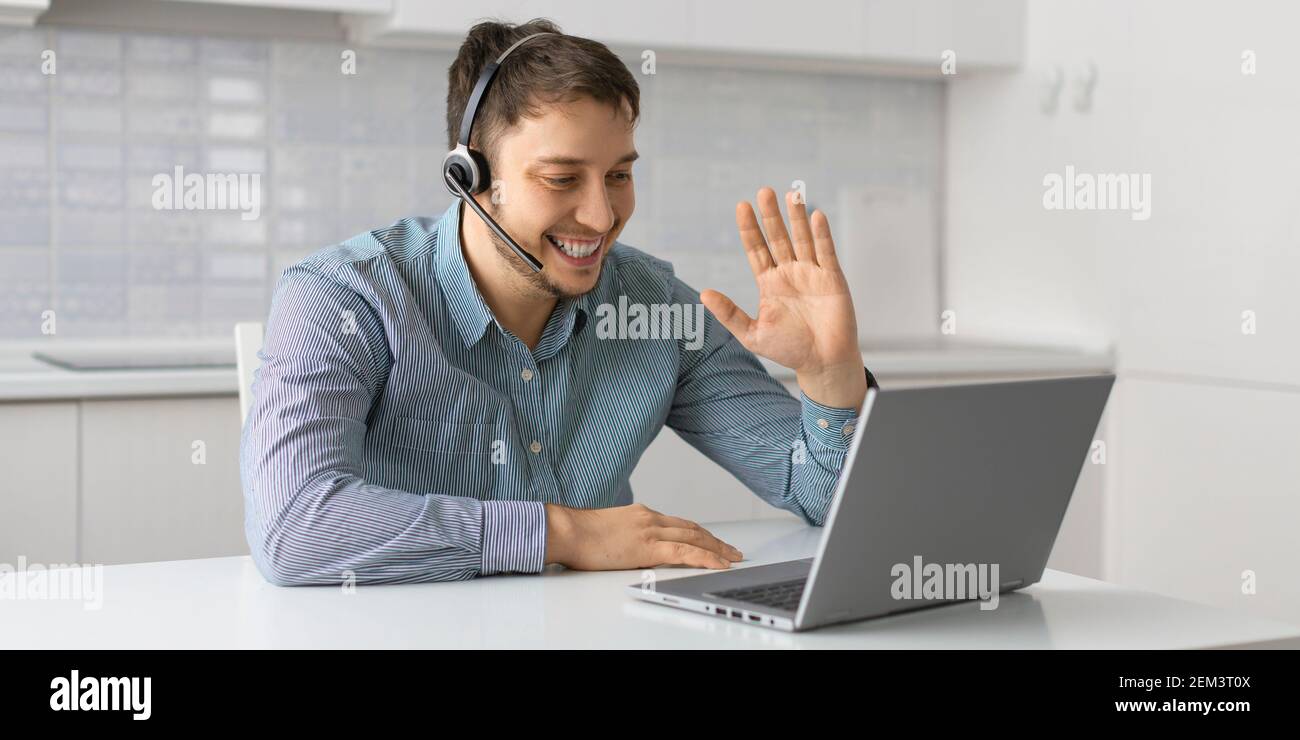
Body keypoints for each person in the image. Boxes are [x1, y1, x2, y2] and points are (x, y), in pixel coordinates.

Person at [240, 18, 876, 585]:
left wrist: (829, 375)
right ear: (470, 178)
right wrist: (562, 534)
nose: (602, 216)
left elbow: (824, 498)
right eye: (562, 179)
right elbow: (293, 526)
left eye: (619, 175)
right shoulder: (343, 298)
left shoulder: (654, 309)